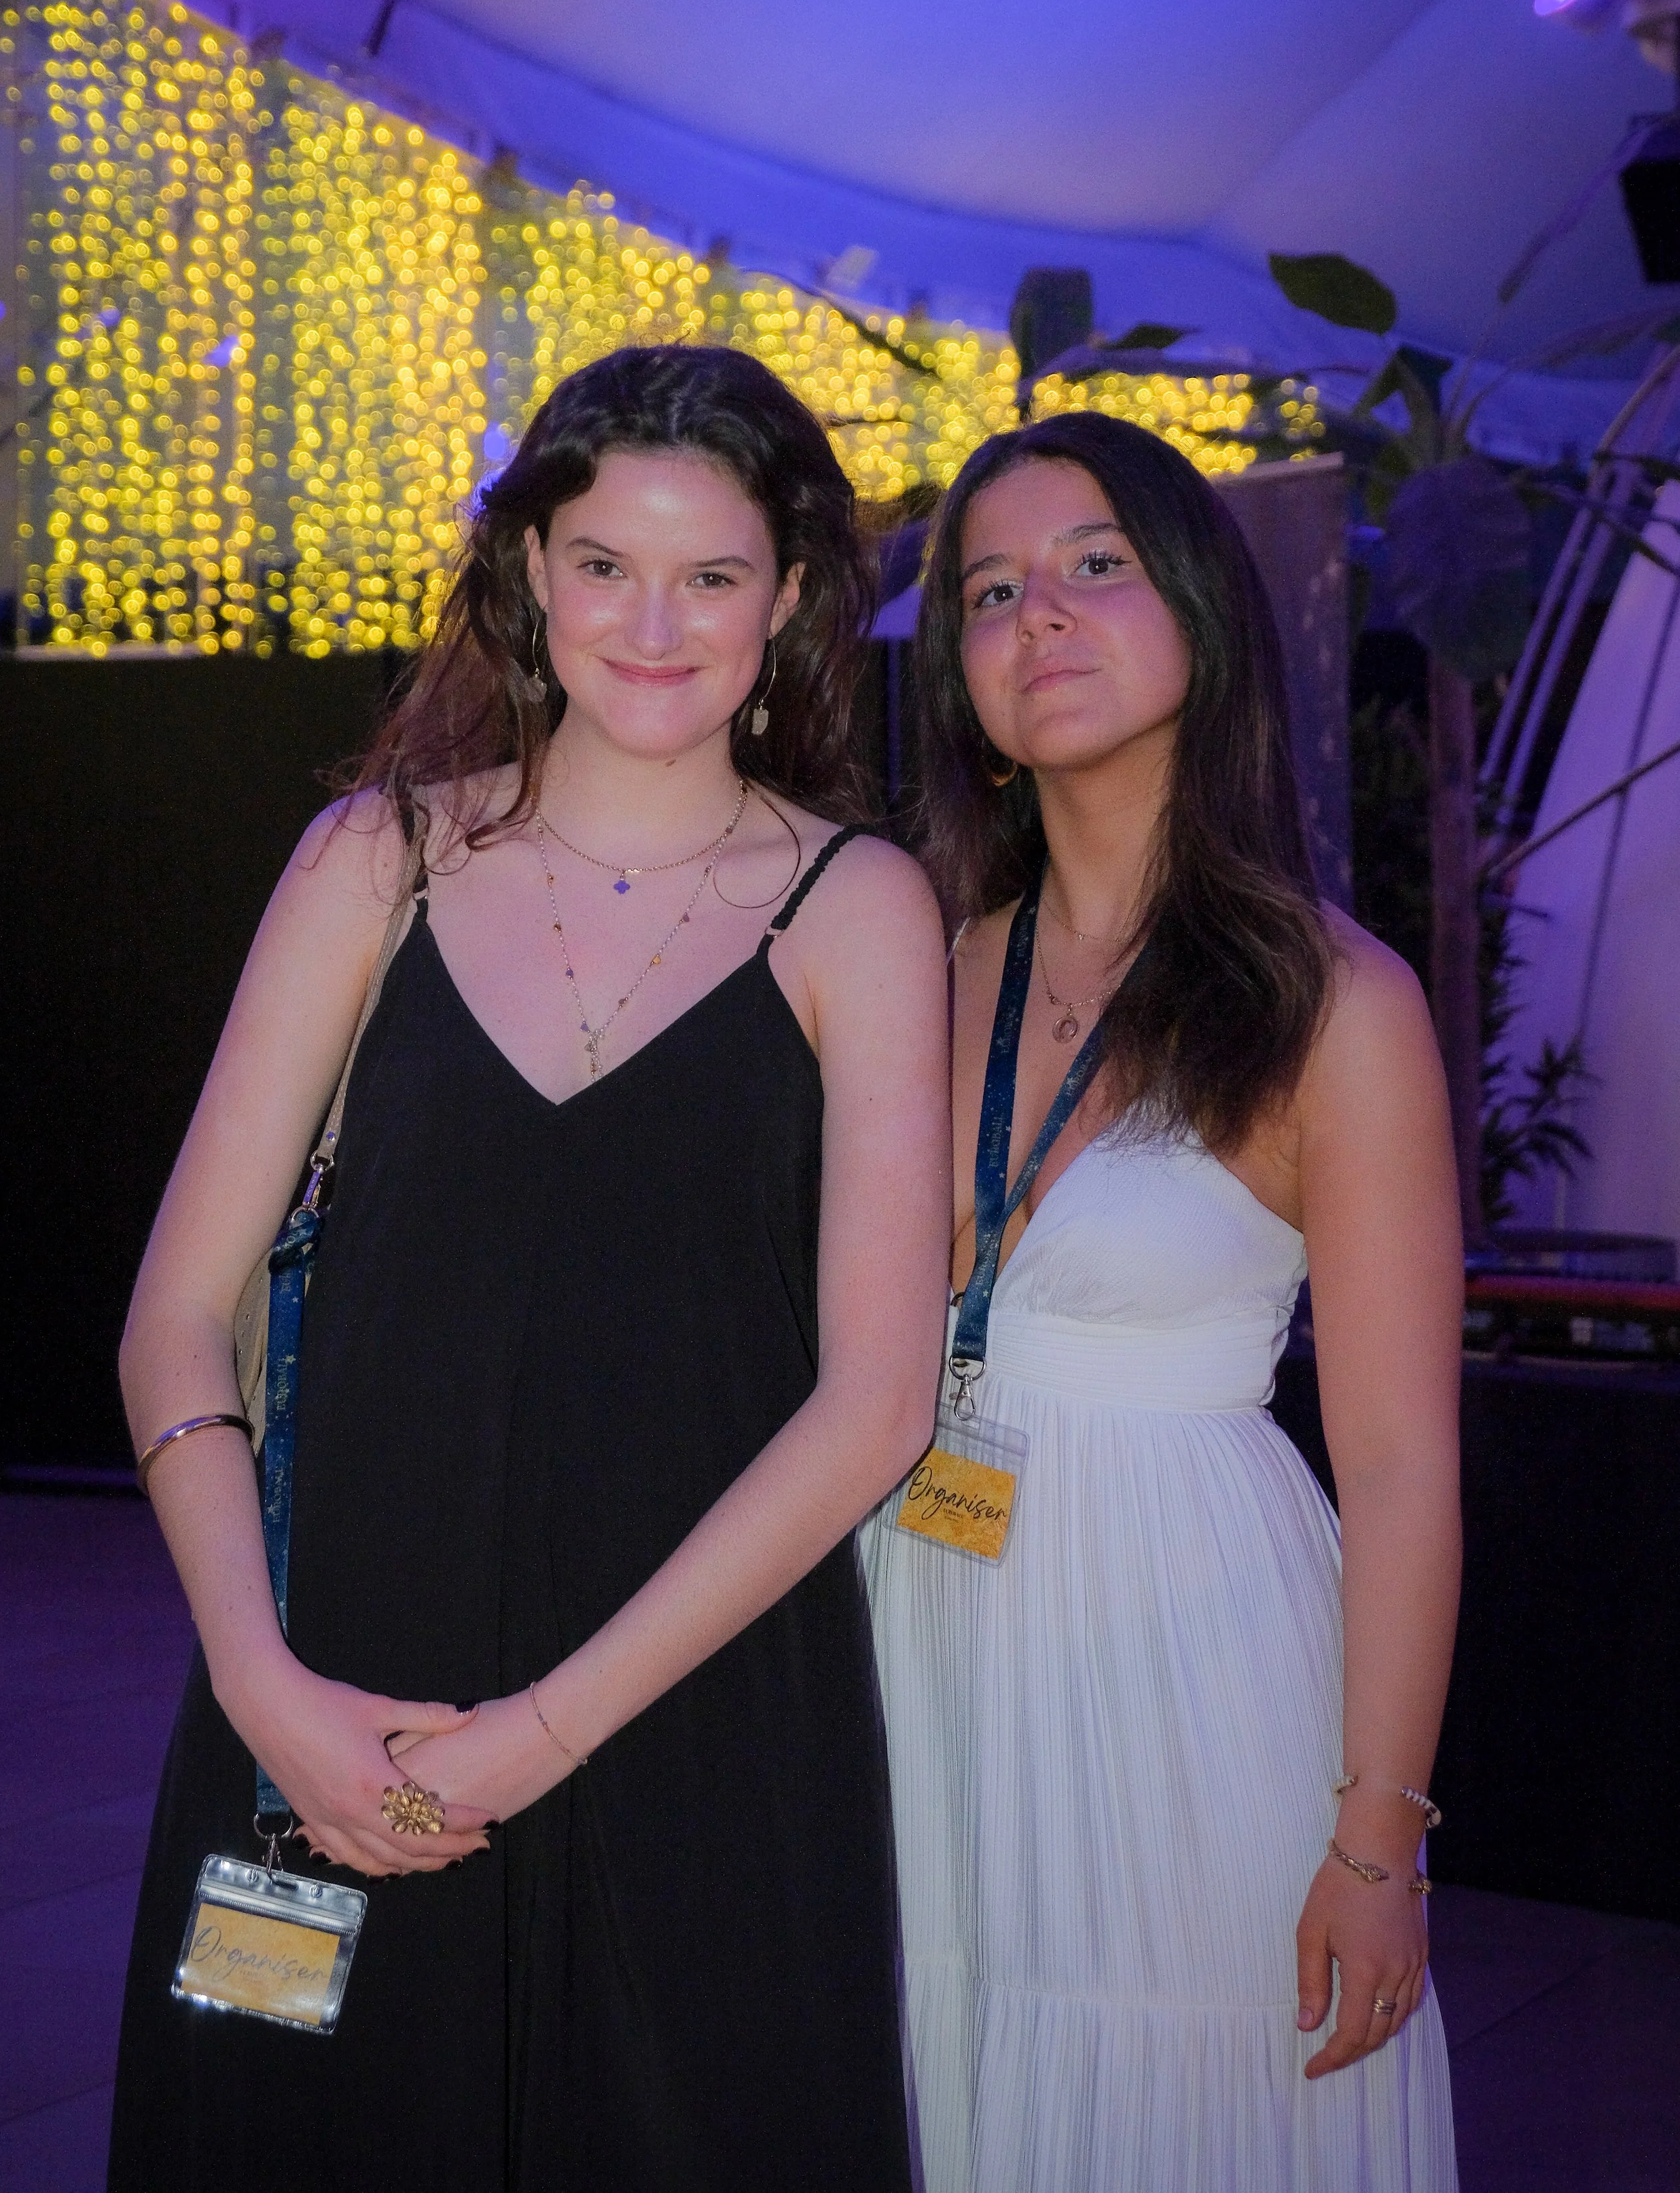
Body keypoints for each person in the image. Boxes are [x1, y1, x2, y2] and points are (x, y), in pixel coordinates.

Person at [109, 344, 949, 2193]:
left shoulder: (860, 907)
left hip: (692, 1714)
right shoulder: (374, 859)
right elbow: (175, 1317)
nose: (653, 623)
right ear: (530, 574)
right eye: (605, 565)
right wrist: (258, 1681)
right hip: (331, 1713)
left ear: (788, 602)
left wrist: (540, 1737)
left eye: (711, 574)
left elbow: (878, 1397)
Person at [861, 412, 1461, 2190]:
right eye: (989, 590)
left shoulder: (1332, 1003)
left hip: (1193, 1671)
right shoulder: (905, 958)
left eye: (1093, 565)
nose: (1035, 614)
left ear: (1198, 607)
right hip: (916, 1643)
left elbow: (1402, 1468)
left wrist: (1378, 1839)